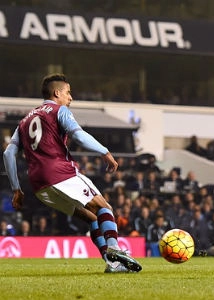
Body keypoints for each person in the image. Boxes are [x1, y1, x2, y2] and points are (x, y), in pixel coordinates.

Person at [2, 74, 142, 273]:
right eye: (68, 92)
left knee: (93, 219)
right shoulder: (60, 111)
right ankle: (115, 248)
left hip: (39, 186)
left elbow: (8, 154)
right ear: (57, 93)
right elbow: (78, 135)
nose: (71, 97)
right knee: (104, 207)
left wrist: (16, 188)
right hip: (61, 173)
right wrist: (104, 151)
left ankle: (114, 264)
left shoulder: (25, 120)